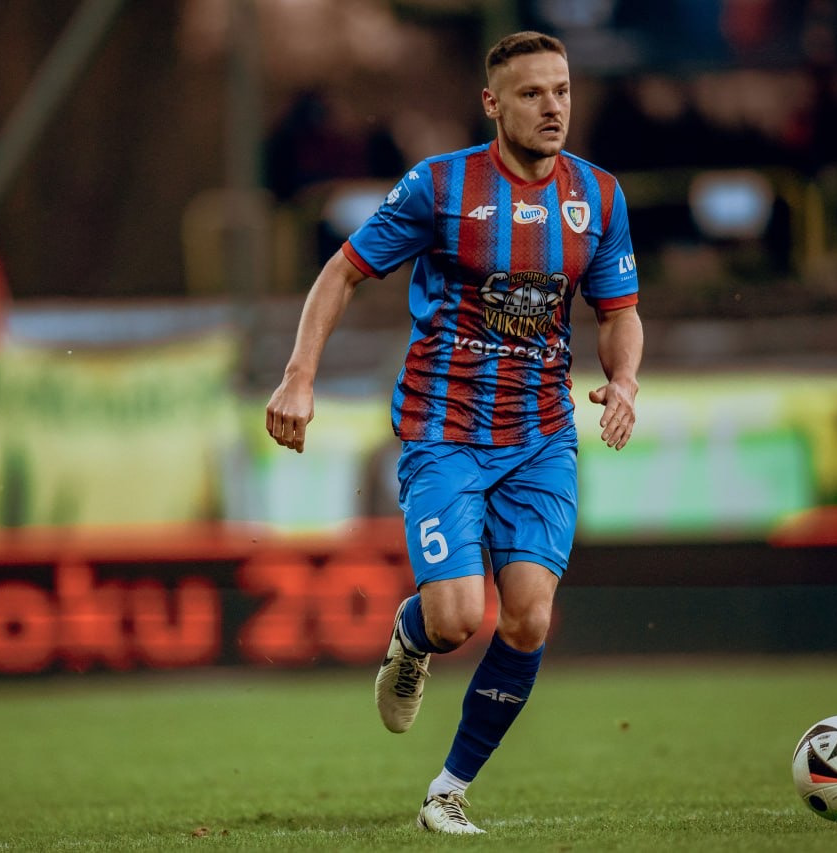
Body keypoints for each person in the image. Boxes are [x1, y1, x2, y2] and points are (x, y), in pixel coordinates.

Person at [265, 30, 643, 835]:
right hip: (445, 430)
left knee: (529, 616)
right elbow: (342, 272)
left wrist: (625, 379)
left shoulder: (599, 196)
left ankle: (448, 790)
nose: (552, 107)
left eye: (562, 90)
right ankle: (412, 638)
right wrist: (299, 375)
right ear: (493, 104)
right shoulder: (440, 188)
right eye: (533, 93)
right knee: (455, 619)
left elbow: (620, 312)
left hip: (541, 437)